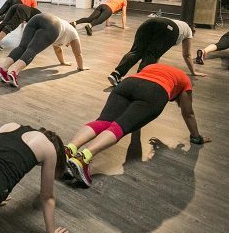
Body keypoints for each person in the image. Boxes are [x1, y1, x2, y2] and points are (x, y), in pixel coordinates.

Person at [66, 63, 210, 188]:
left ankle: (69, 150)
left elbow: (140, 85)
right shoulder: (185, 81)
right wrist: (196, 137)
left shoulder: (154, 67)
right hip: (154, 92)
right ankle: (83, 158)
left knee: (103, 121)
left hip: (128, 84)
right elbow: (188, 113)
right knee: (119, 127)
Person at [0, 13, 87, 88]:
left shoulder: (63, 32)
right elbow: (78, 54)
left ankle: (3, 69)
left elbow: (58, 50)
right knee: (32, 50)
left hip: (38, 18)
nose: (67, 46)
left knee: (22, 47)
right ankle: (14, 72)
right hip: (53, 25)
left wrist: (63, 62)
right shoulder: (74, 35)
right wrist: (81, 67)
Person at [108, 17, 205, 86]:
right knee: (151, 54)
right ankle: (138, 82)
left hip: (150, 22)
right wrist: (193, 72)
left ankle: (116, 74)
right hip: (169, 28)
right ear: (192, 29)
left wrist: (154, 67)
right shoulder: (189, 31)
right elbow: (187, 54)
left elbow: (157, 52)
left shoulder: (178, 22)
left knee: (136, 51)